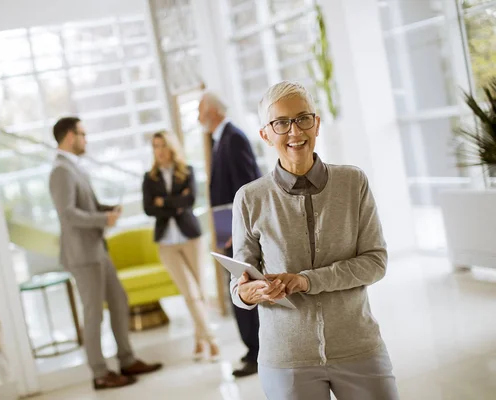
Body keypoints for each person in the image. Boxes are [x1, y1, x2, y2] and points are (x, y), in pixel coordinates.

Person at [230, 81, 399, 399]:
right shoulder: (250, 198)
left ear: (316, 123)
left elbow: (375, 262)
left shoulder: (352, 182)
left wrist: (305, 281)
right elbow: (239, 284)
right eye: (281, 123)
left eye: (303, 118)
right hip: (287, 358)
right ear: (265, 134)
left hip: (358, 346)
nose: (294, 132)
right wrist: (248, 293)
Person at [48, 117, 162, 390]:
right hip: (83, 254)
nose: (86, 139)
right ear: (68, 136)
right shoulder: (61, 171)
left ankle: (126, 359)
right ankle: (100, 373)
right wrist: (103, 221)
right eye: (83, 134)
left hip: (98, 249)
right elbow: (68, 215)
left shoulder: (74, 168)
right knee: (93, 314)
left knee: (119, 301)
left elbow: (87, 205)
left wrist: (106, 210)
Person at [198, 92, 261, 377]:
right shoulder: (219, 139)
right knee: (235, 283)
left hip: (237, 227)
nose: (198, 117)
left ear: (212, 111)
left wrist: (240, 230)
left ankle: (257, 352)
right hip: (227, 225)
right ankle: (252, 349)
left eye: (200, 110)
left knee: (242, 283)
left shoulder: (233, 137)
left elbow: (247, 186)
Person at [142, 130, 220, 362]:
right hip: (166, 243)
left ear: (172, 148)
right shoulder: (149, 178)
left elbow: (190, 201)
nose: (160, 151)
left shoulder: (187, 172)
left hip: (191, 238)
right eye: (156, 146)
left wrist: (163, 202)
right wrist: (174, 203)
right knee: (190, 294)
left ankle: (199, 341)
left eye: (163, 145)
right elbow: (149, 208)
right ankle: (212, 340)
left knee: (201, 292)